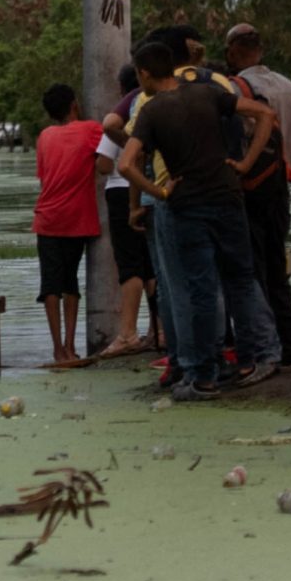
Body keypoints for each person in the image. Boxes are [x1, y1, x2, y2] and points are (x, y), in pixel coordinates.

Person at [121, 41, 283, 401]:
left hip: (186, 206)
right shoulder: (208, 94)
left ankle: (202, 375)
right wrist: (244, 164)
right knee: (241, 279)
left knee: (201, 288)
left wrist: (158, 192)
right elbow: (264, 116)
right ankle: (254, 357)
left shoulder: (151, 110)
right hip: (228, 197)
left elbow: (125, 164)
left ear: (145, 74)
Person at [224, 23, 291, 365]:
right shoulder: (287, 86)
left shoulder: (237, 88)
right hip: (283, 187)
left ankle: (263, 345)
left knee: (250, 270)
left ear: (231, 52)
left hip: (252, 190)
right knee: (278, 267)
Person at [30, 82, 109, 364]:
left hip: (47, 218)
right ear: (75, 104)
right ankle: (70, 346)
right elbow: (105, 159)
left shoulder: (45, 136)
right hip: (76, 218)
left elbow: (43, 175)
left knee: (50, 284)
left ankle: (57, 349)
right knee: (70, 282)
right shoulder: (90, 130)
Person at [94, 63, 159, 359]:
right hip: (152, 188)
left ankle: (128, 333)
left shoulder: (123, 115)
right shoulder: (154, 106)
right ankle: (159, 330)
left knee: (130, 264)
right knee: (152, 264)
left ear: (122, 88)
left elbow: (105, 164)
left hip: (122, 192)